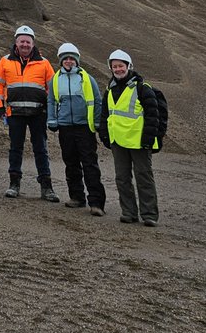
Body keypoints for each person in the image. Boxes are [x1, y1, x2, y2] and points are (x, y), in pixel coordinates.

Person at [0, 25, 58, 201]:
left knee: (41, 149)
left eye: (28, 41)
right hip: (14, 112)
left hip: (38, 113)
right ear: (16, 42)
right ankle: (14, 184)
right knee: (15, 148)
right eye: (22, 41)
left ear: (33, 43)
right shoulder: (5, 61)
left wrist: (50, 111)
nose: (25, 44)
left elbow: (53, 88)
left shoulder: (44, 63)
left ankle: (47, 187)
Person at [97, 49, 161, 226]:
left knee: (144, 177)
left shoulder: (142, 88)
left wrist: (148, 139)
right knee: (122, 178)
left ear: (128, 66)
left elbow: (152, 116)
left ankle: (149, 214)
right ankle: (129, 212)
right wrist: (105, 135)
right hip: (118, 142)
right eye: (114, 66)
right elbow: (105, 115)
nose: (118, 69)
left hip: (139, 141)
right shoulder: (109, 90)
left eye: (121, 66)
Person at [48, 42, 106, 217]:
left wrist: (96, 123)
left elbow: (97, 101)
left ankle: (96, 202)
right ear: (61, 61)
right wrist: (52, 120)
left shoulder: (87, 79)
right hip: (65, 128)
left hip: (84, 128)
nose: (68, 61)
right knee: (71, 163)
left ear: (77, 60)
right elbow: (51, 101)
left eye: (72, 58)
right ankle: (77, 197)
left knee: (89, 164)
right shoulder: (55, 80)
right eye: (65, 58)